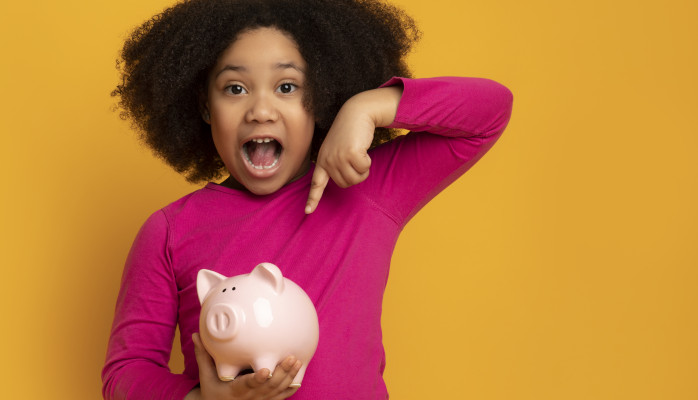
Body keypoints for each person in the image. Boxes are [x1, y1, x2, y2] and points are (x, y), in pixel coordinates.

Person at [102, 0, 513, 399]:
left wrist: (368, 107)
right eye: (235, 88)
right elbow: (126, 372)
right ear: (205, 106)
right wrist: (200, 398)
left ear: (321, 98)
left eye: (287, 87)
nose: (260, 110)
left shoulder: (366, 186)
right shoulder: (169, 231)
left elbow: (490, 111)